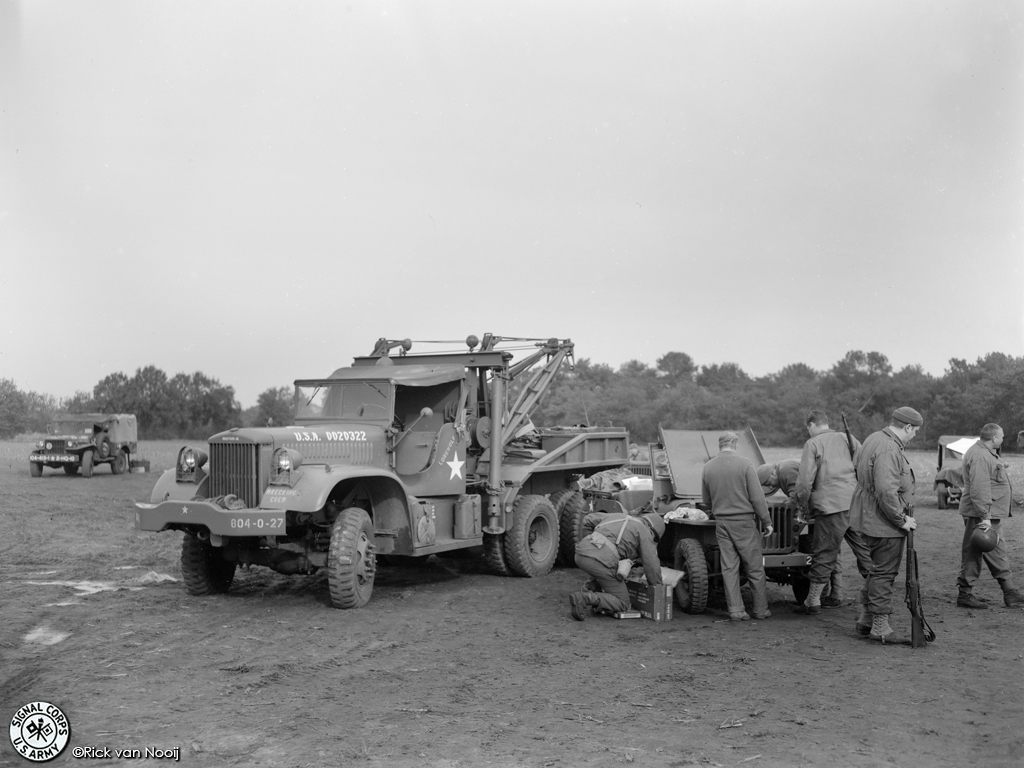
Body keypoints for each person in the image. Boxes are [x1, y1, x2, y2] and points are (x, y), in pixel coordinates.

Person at [849, 407, 922, 643]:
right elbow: (885, 491)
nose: (914, 436)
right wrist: (901, 519)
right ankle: (879, 627)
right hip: (883, 521)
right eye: (915, 431)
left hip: (869, 516)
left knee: (876, 569)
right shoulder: (889, 447)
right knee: (884, 573)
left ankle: (865, 620)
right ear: (908, 427)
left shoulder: (874, 438)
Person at [792, 410, 874, 614]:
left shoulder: (813, 444)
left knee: (824, 554)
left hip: (830, 508)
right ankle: (877, 597)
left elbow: (804, 483)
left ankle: (812, 601)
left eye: (808, 428)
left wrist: (802, 507)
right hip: (856, 504)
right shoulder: (848, 438)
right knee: (865, 552)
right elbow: (865, 466)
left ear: (811, 425)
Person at [701, 432, 774, 621]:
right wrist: (766, 521)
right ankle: (760, 609)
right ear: (735, 444)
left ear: (720, 445)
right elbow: (757, 498)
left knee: (729, 567)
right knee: (755, 567)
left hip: (722, 523)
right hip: (744, 523)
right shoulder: (745, 464)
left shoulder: (708, 467)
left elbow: (706, 500)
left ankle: (735, 610)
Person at [955, 423, 1024, 609]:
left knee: (990, 548)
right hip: (982, 513)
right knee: (977, 550)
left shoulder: (984, 453)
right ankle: (968, 593)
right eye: (1001, 436)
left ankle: (1009, 592)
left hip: (985, 512)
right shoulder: (980, 455)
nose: (1003, 439)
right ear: (994, 438)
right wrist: (984, 516)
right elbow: (979, 488)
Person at [569, 509, 666, 620]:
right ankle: (584, 598)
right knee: (622, 603)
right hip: (600, 560)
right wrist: (658, 588)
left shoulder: (618, 516)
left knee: (605, 572)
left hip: (581, 552)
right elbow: (651, 564)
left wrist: (591, 546)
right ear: (652, 530)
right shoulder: (644, 532)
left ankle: (590, 589)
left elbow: (587, 519)